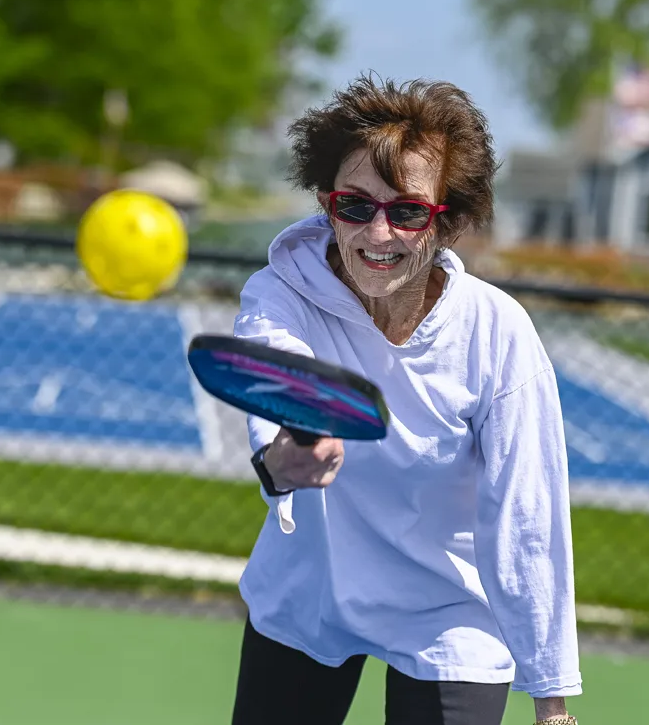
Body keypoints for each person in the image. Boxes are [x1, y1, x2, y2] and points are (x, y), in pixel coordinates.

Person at [229, 76, 582, 725]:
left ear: (446, 221)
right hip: (313, 586)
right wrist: (283, 460)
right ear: (324, 203)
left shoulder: (496, 334)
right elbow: (274, 391)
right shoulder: (281, 295)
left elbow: (526, 520)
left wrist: (551, 697)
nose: (380, 232)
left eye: (409, 211)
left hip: (449, 611)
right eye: (355, 206)